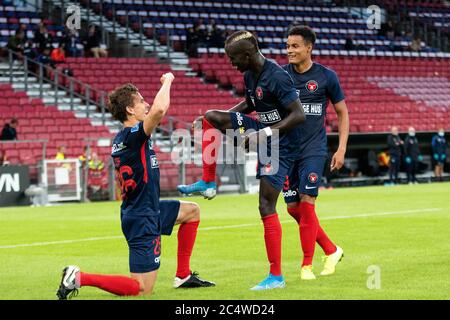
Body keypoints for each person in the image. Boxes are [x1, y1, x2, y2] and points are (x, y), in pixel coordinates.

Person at [56, 75, 214, 300]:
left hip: (145, 207)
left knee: (192, 211)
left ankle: (183, 275)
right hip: (142, 217)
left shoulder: (123, 138)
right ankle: (79, 277)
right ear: (130, 109)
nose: (146, 104)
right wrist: (167, 81)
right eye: (141, 101)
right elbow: (159, 111)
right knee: (141, 288)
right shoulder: (133, 137)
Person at [178, 30, 305, 290]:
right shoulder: (250, 74)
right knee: (211, 116)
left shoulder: (277, 76)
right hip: (262, 135)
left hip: (281, 145)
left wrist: (264, 133)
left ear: (248, 55)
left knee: (266, 205)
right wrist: (214, 121)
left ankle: (276, 277)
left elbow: (299, 115)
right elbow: (249, 104)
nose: (231, 64)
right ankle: (208, 183)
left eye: (233, 59)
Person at [282, 25, 348, 280]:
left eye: (295, 46)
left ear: (309, 47)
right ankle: (331, 249)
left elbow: (342, 112)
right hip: (287, 151)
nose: (289, 50)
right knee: (292, 208)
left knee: (307, 204)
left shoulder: (326, 76)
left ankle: (306, 266)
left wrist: (341, 149)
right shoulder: (280, 76)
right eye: (287, 46)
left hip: (313, 149)